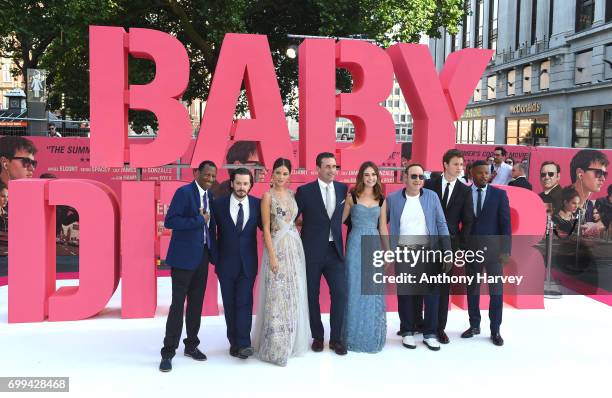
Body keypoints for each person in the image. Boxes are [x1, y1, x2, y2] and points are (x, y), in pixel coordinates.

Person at [159, 161, 218, 372]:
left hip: (202, 256)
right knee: (177, 306)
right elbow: (170, 221)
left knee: (196, 305)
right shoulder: (184, 193)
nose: (210, 179)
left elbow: (211, 227)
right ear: (196, 173)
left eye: (213, 176)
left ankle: (191, 345)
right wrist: (198, 220)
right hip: (183, 259)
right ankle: (168, 352)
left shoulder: (211, 196)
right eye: (207, 175)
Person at [387, 163, 451, 351]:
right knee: (406, 294)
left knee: (431, 295)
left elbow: (441, 223)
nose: (417, 180)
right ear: (405, 177)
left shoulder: (432, 197)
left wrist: (447, 251)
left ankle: (430, 333)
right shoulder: (392, 199)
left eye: (421, 177)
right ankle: (407, 331)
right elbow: (383, 223)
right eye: (413, 176)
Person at [253, 158, 309, 366]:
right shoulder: (267, 197)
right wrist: (273, 255)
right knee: (275, 297)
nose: (281, 177)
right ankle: (275, 347)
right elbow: (266, 228)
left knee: (292, 296)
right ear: (272, 174)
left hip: (294, 248)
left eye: (285, 173)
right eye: (278, 172)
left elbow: (294, 221)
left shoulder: (293, 195)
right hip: (277, 249)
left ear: (289, 175)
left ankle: (291, 342)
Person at [295, 152, 349, 355]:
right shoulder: (305, 191)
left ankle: (336, 339)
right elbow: (293, 218)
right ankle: (317, 337)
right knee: (312, 295)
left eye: (334, 167)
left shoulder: (344, 189)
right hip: (311, 251)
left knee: (340, 294)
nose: (332, 170)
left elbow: (341, 217)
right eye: (327, 166)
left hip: (335, 251)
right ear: (318, 168)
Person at [423, 149, 474, 344]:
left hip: (449, 246)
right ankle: (422, 324)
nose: (460, 168)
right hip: (426, 243)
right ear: (445, 164)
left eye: (461, 164)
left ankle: (439, 328)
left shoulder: (465, 190)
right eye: (456, 164)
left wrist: (458, 247)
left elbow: (467, 221)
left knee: (443, 288)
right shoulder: (429, 185)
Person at [211, 168, 261, 360]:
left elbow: (266, 229)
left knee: (245, 303)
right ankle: (234, 342)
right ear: (232, 183)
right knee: (230, 304)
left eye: (245, 184)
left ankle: (244, 343)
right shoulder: (219, 205)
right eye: (238, 183)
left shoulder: (257, 204)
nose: (241, 187)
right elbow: (212, 235)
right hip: (225, 264)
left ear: (250, 185)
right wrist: (216, 259)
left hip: (248, 264)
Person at [461, 160, 511, 347]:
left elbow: (505, 225)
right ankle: (474, 325)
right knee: (472, 290)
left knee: (496, 292)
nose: (484, 176)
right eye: (480, 173)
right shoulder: (464, 193)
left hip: (494, 253)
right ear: (472, 173)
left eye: (487, 173)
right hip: (471, 250)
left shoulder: (499, 195)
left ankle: (495, 330)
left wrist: (506, 250)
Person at [341, 161, 389, 353]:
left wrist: (388, 253)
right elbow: (340, 221)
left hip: (374, 244)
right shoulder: (352, 197)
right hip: (355, 244)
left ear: (377, 177)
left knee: (371, 290)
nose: (370, 178)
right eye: (367, 175)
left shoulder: (381, 199)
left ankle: (370, 335)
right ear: (361, 176)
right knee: (354, 288)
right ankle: (351, 336)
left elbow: (383, 226)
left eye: (374, 175)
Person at [569, 149, 609, 224]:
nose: (603, 178)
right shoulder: (559, 204)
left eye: (604, 174)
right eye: (598, 173)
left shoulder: (589, 206)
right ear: (580, 173)